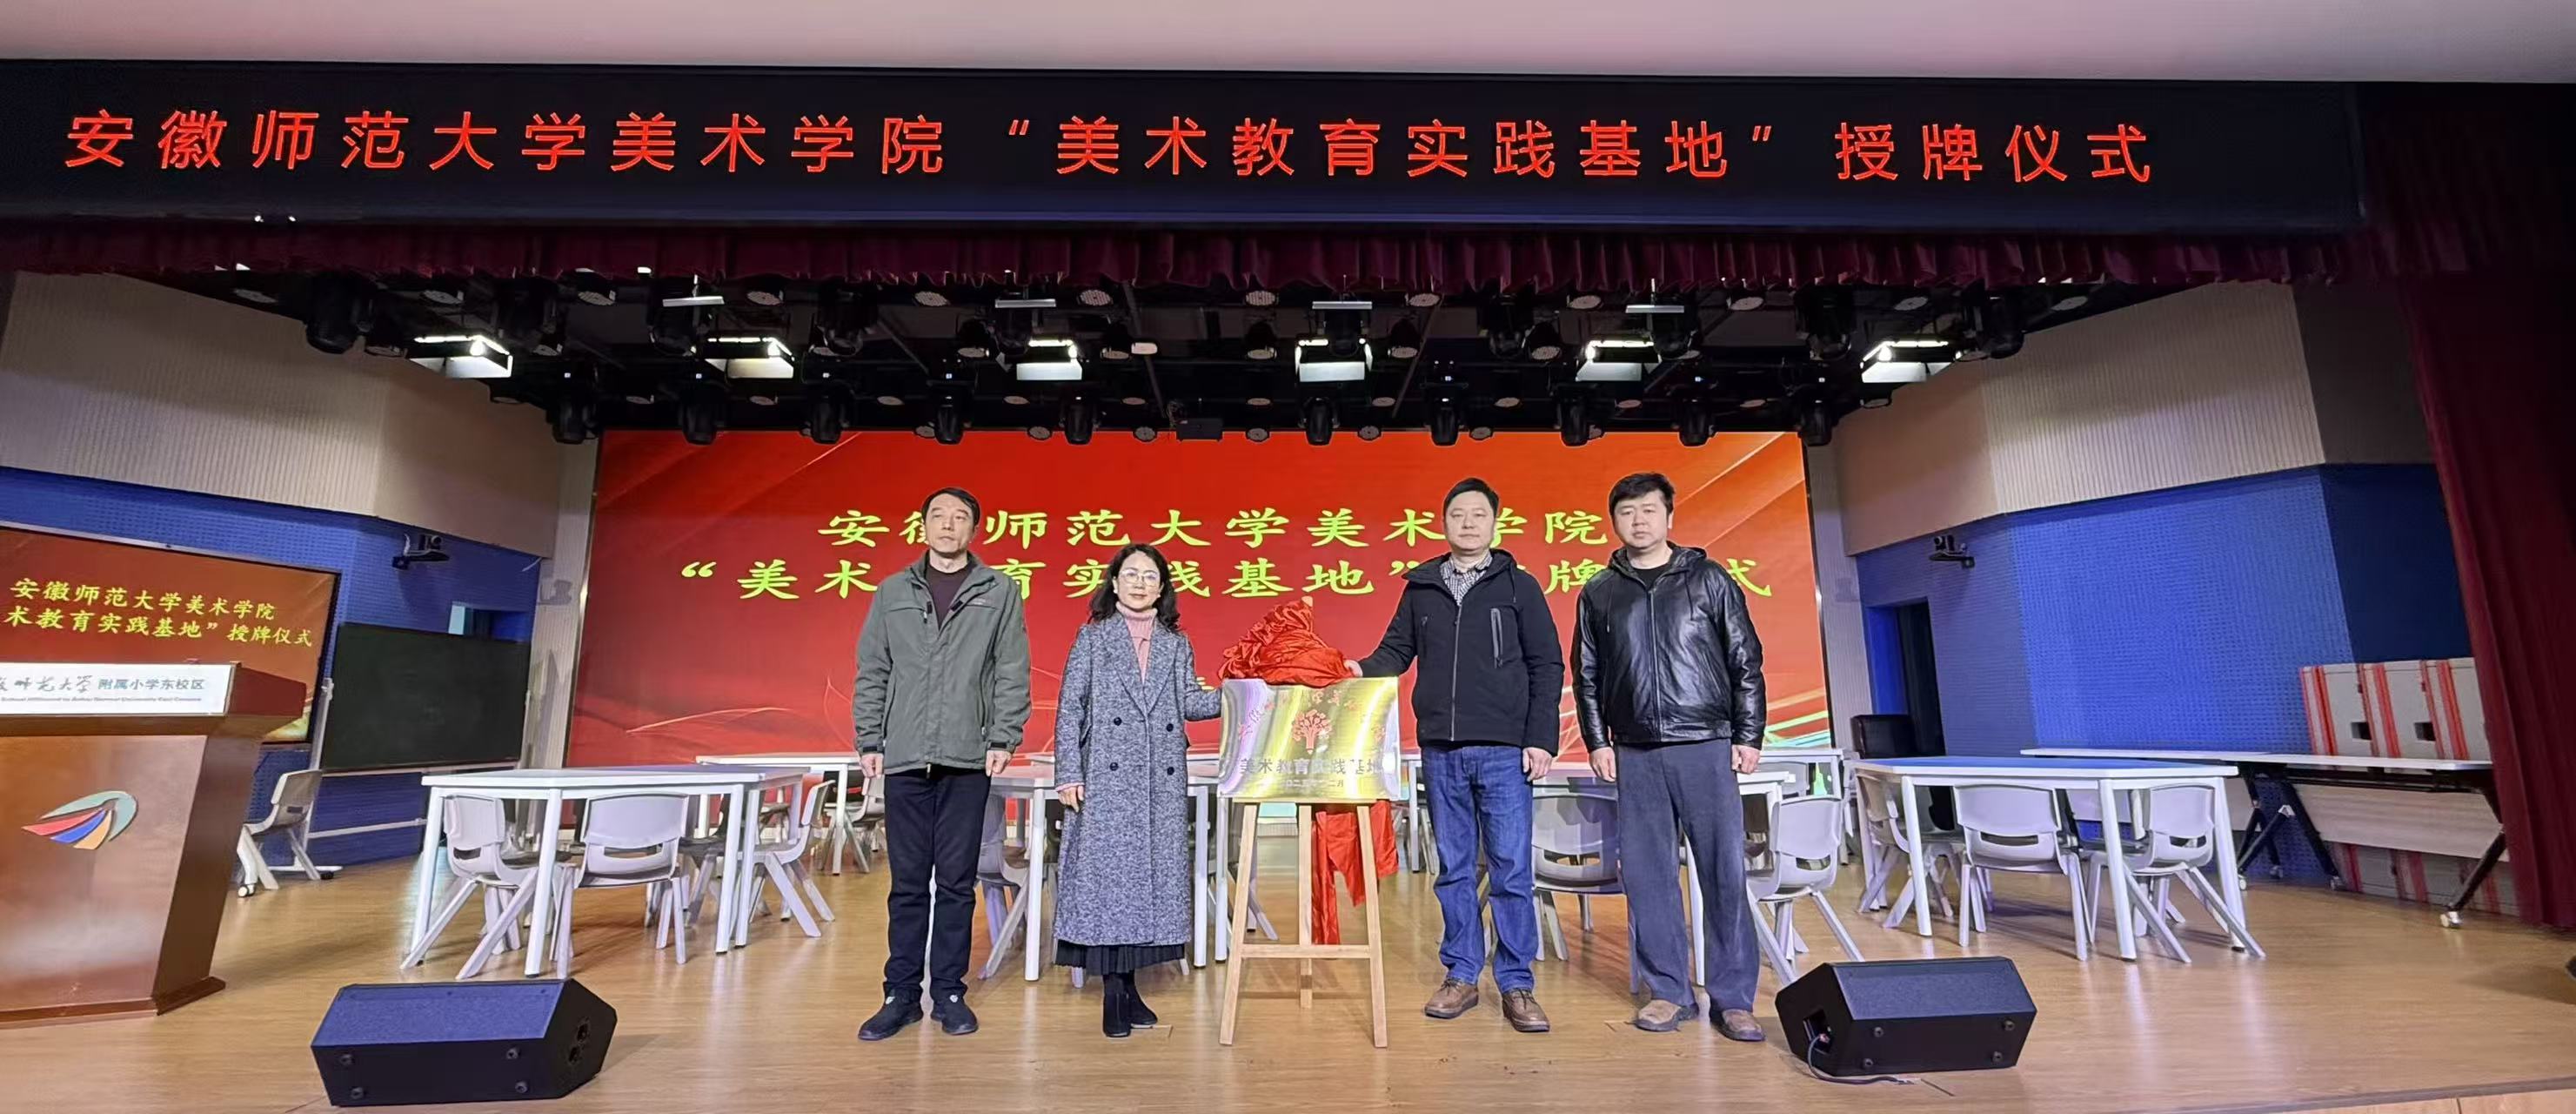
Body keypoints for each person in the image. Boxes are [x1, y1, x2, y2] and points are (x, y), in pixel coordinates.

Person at [1348, 478, 1564, 1034]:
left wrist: (1541, 738)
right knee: (1455, 869)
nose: (1468, 523)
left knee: (1511, 868)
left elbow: (1547, 664)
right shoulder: (1422, 587)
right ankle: (1462, 974)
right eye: (1458, 515)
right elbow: (1396, 652)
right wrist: (1354, 671)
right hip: (1442, 749)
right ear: (1442, 523)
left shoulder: (1519, 586)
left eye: (1478, 515)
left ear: (1495, 522)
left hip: (1505, 750)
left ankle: (1516, 983)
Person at [1570, 471, 1769, 1040]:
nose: (1639, 521)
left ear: (1669, 517)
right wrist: (1597, 740)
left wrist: (1748, 734)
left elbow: (1744, 659)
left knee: (1723, 872)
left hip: (1705, 744)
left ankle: (1733, 998)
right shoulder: (1599, 592)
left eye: (1649, 510)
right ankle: (1667, 992)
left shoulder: (1708, 579)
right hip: (1635, 751)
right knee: (1648, 876)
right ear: (1614, 521)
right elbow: (1587, 675)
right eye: (1627, 511)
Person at [853, 487, 1031, 1042]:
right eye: (938, 516)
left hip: (967, 757)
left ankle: (949, 992)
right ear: (923, 525)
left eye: (959, 518)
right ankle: (901, 995)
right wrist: (870, 739)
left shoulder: (998, 590)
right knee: (907, 884)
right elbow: (873, 667)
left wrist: (1003, 736)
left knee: (956, 882)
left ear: (975, 530)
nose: (948, 525)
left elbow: (1011, 667)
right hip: (905, 755)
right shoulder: (892, 591)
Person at [1050, 543, 1226, 1038]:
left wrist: (1241, 690)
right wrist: (1069, 773)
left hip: (1158, 784)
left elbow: (1190, 703)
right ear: (1114, 582)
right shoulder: (1092, 637)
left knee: (1146, 888)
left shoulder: (1176, 643)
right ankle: (1113, 993)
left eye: (1150, 576)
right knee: (1109, 888)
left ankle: (1129, 989)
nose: (1139, 583)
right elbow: (1070, 707)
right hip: (1105, 781)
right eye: (1130, 574)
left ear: (1162, 587)